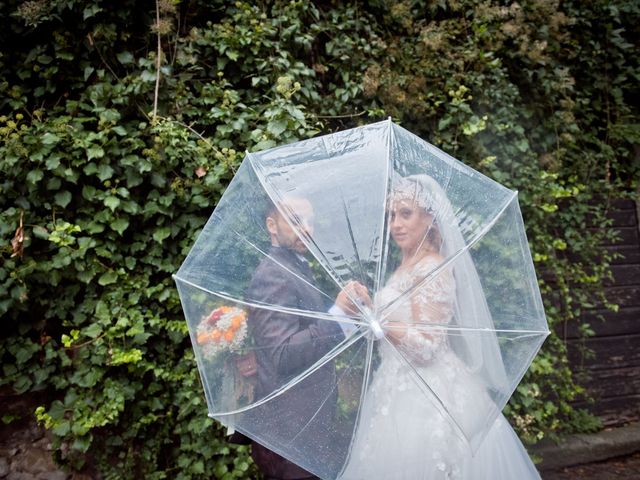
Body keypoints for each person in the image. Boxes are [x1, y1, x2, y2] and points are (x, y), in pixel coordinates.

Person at [338, 175, 541, 480]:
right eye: (392, 215)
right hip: (392, 389)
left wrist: (379, 321)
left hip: (428, 396)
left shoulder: (433, 268)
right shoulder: (405, 267)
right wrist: (367, 307)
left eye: (406, 214)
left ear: (430, 219)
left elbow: (427, 347)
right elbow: (393, 326)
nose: (395, 224)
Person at [240, 195, 364, 480]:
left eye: (311, 221)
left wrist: (352, 313)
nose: (307, 229)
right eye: (296, 221)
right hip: (290, 433)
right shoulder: (272, 274)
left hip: (307, 427)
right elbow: (283, 354)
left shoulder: (296, 266)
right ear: (272, 225)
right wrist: (337, 314)